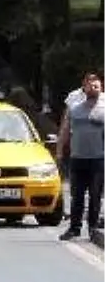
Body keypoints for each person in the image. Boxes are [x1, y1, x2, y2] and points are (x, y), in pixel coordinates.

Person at [57, 70, 105, 239]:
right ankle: (74, 228)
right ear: (84, 88)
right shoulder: (75, 109)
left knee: (95, 195)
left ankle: (93, 228)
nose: (93, 88)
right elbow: (65, 131)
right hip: (78, 158)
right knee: (77, 196)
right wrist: (59, 151)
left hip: (98, 159)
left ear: (101, 87)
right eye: (90, 85)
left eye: (96, 86)